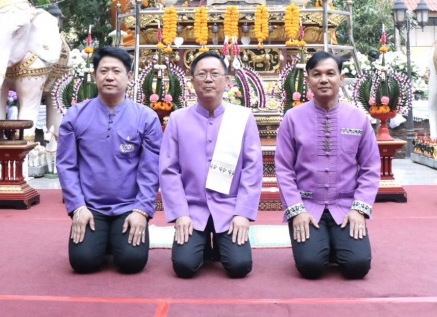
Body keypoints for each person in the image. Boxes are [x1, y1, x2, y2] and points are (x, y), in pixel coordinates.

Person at [275, 51, 380, 280]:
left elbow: (371, 168)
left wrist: (359, 209)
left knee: (357, 267)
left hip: (345, 206)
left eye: (330, 73)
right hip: (307, 205)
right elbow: (284, 169)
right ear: (308, 79)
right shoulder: (292, 118)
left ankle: (334, 242)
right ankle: (321, 242)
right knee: (311, 266)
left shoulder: (358, 118)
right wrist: (297, 210)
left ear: (341, 78)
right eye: (317, 74)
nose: (324, 79)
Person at [57, 47, 162, 274]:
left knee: (131, 262)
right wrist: (77, 206)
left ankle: (115, 239)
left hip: (129, 206)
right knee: (83, 263)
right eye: (103, 71)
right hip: (90, 207)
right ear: (95, 76)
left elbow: (151, 169)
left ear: (129, 77)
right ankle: (102, 240)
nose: (110, 76)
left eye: (117, 71)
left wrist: (142, 211)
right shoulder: (75, 116)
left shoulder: (146, 117)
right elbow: (66, 165)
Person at [159, 52, 263, 278]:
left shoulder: (242, 117)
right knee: (184, 267)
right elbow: (169, 170)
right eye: (202, 74)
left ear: (227, 81)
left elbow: (252, 169)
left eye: (215, 74)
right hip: (192, 209)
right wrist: (180, 214)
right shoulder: (177, 119)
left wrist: (243, 214)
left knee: (239, 267)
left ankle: (219, 242)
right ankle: (202, 242)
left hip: (229, 209)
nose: (208, 79)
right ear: (192, 81)